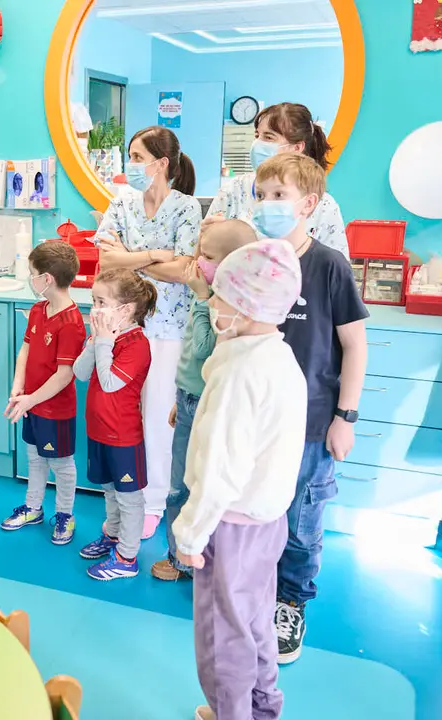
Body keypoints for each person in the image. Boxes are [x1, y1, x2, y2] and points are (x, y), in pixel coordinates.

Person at [173, 240, 307, 720]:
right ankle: (262, 710)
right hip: (267, 522)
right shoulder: (280, 358)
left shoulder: (238, 375)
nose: (212, 304)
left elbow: (220, 466)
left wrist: (191, 532)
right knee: (254, 623)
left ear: (246, 308)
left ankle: (230, 713)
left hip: (228, 525)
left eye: (220, 297)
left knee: (222, 637)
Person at [246, 153, 368, 664]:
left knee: (301, 517)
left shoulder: (328, 265)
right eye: (261, 195)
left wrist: (345, 418)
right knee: (257, 510)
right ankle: (256, 589)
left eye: (279, 195)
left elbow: (355, 347)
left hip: (312, 420)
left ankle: (290, 600)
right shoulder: (253, 261)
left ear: (309, 204)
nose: (267, 204)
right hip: (257, 416)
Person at [96, 126, 200, 540]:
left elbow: (184, 270)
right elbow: (106, 261)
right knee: (120, 414)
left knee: (158, 418)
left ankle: (154, 503)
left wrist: (130, 258)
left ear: (161, 163)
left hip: (167, 330)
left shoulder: (186, 208)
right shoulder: (121, 202)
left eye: (138, 157)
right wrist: (157, 254)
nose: (131, 164)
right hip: (122, 327)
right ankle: (124, 495)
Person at [153, 219, 261, 583]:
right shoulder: (213, 295)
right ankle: (180, 555)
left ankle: (192, 559)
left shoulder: (227, 303)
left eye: (209, 256)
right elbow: (190, 362)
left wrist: (202, 298)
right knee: (179, 485)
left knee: (196, 486)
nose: (199, 262)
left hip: (208, 403)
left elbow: (203, 348)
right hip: (188, 398)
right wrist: (179, 397)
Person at [74, 268, 157, 581]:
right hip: (98, 430)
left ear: (126, 309)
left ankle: (126, 557)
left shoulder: (137, 345)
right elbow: (81, 373)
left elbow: (109, 383)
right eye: (93, 300)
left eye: (102, 302)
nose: (94, 308)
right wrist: (96, 340)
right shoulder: (104, 338)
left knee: (129, 498)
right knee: (109, 490)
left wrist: (104, 342)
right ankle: (112, 536)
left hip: (123, 435)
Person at [1, 242, 86, 544]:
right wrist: (18, 386)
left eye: (32, 273)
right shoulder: (38, 310)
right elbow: (25, 349)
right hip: (32, 404)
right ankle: (33, 508)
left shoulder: (72, 323)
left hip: (55, 410)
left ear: (47, 279)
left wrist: (30, 399)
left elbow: (65, 375)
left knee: (61, 465)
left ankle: (65, 515)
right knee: (35, 458)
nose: (30, 278)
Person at [207, 102, 349, 260]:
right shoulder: (234, 190)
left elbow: (337, 267)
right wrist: (207, 235)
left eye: (268, 137)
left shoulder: (324, 206)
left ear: (296, 148)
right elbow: (204, 255)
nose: (257, 144)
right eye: (257, 135)